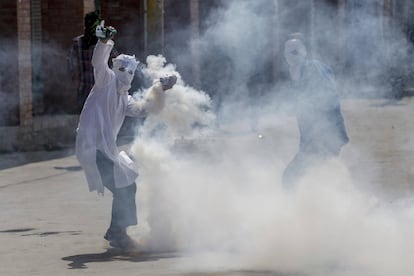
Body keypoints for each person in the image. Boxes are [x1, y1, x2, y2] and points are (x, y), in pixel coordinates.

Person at [75, 21, 177, 250]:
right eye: (123, 70)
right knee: (125, 186)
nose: (126, 75)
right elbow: (98, 63)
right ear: (115, 69)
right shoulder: (106, 82)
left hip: (105, 150)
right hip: (93, 147)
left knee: (128, 185)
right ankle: (117, 232)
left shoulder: (125, 98)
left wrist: (161, 90)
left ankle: (116, 231)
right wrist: (104, 42)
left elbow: (143, 110)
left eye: (130, 72)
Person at [282, 34, 349, 189]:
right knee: (315, 179)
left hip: (325, 137)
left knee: (291, 178)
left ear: (304, 51)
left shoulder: (314, 67)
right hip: (311, 139)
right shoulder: (296, 73)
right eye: (288, 52)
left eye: (295, 51)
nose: (292, 55)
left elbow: (328, 95)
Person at [67, 11, 119, 113]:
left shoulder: (78, 42)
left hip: (89, 90)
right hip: (94, 90)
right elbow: (116, 62)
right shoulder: (103, 43)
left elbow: (70, 65)